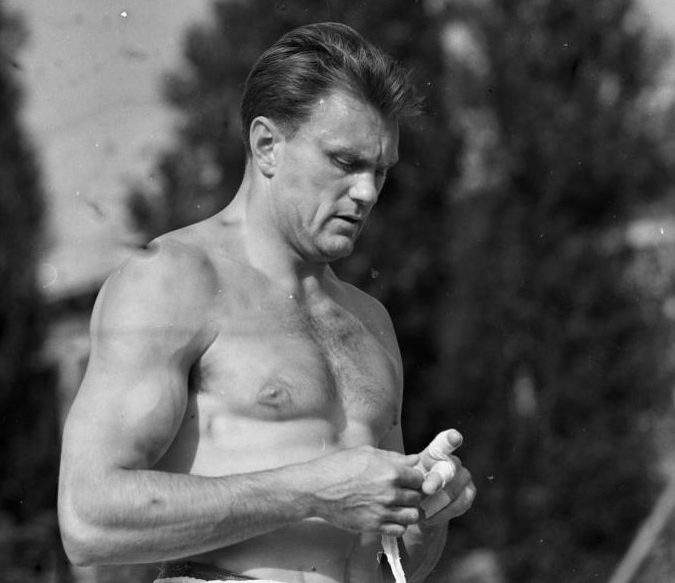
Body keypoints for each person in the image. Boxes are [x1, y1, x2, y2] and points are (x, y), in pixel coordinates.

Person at [58, 22, 476, 583]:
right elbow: (87, 520)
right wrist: (312, 491)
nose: (367, 192)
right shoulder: (173, 282)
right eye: (345, 162)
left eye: (380, 171)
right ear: (267, 145)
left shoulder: (370, 321)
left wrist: (426, 513)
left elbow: (386, 566)